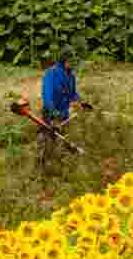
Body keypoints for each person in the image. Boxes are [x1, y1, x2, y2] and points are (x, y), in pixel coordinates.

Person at [38, 46, 92, 174]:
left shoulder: (71, 75)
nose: (73, 64)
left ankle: (62, 167)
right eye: (71, 61)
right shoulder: (51, 74)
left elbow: (72, 93)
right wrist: (52, 111)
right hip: (50, 115)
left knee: (62, 141)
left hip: (64, 114)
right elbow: (47, 96)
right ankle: (41, 168)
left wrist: (81, 102)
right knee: (47, 142)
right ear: (64, 60)